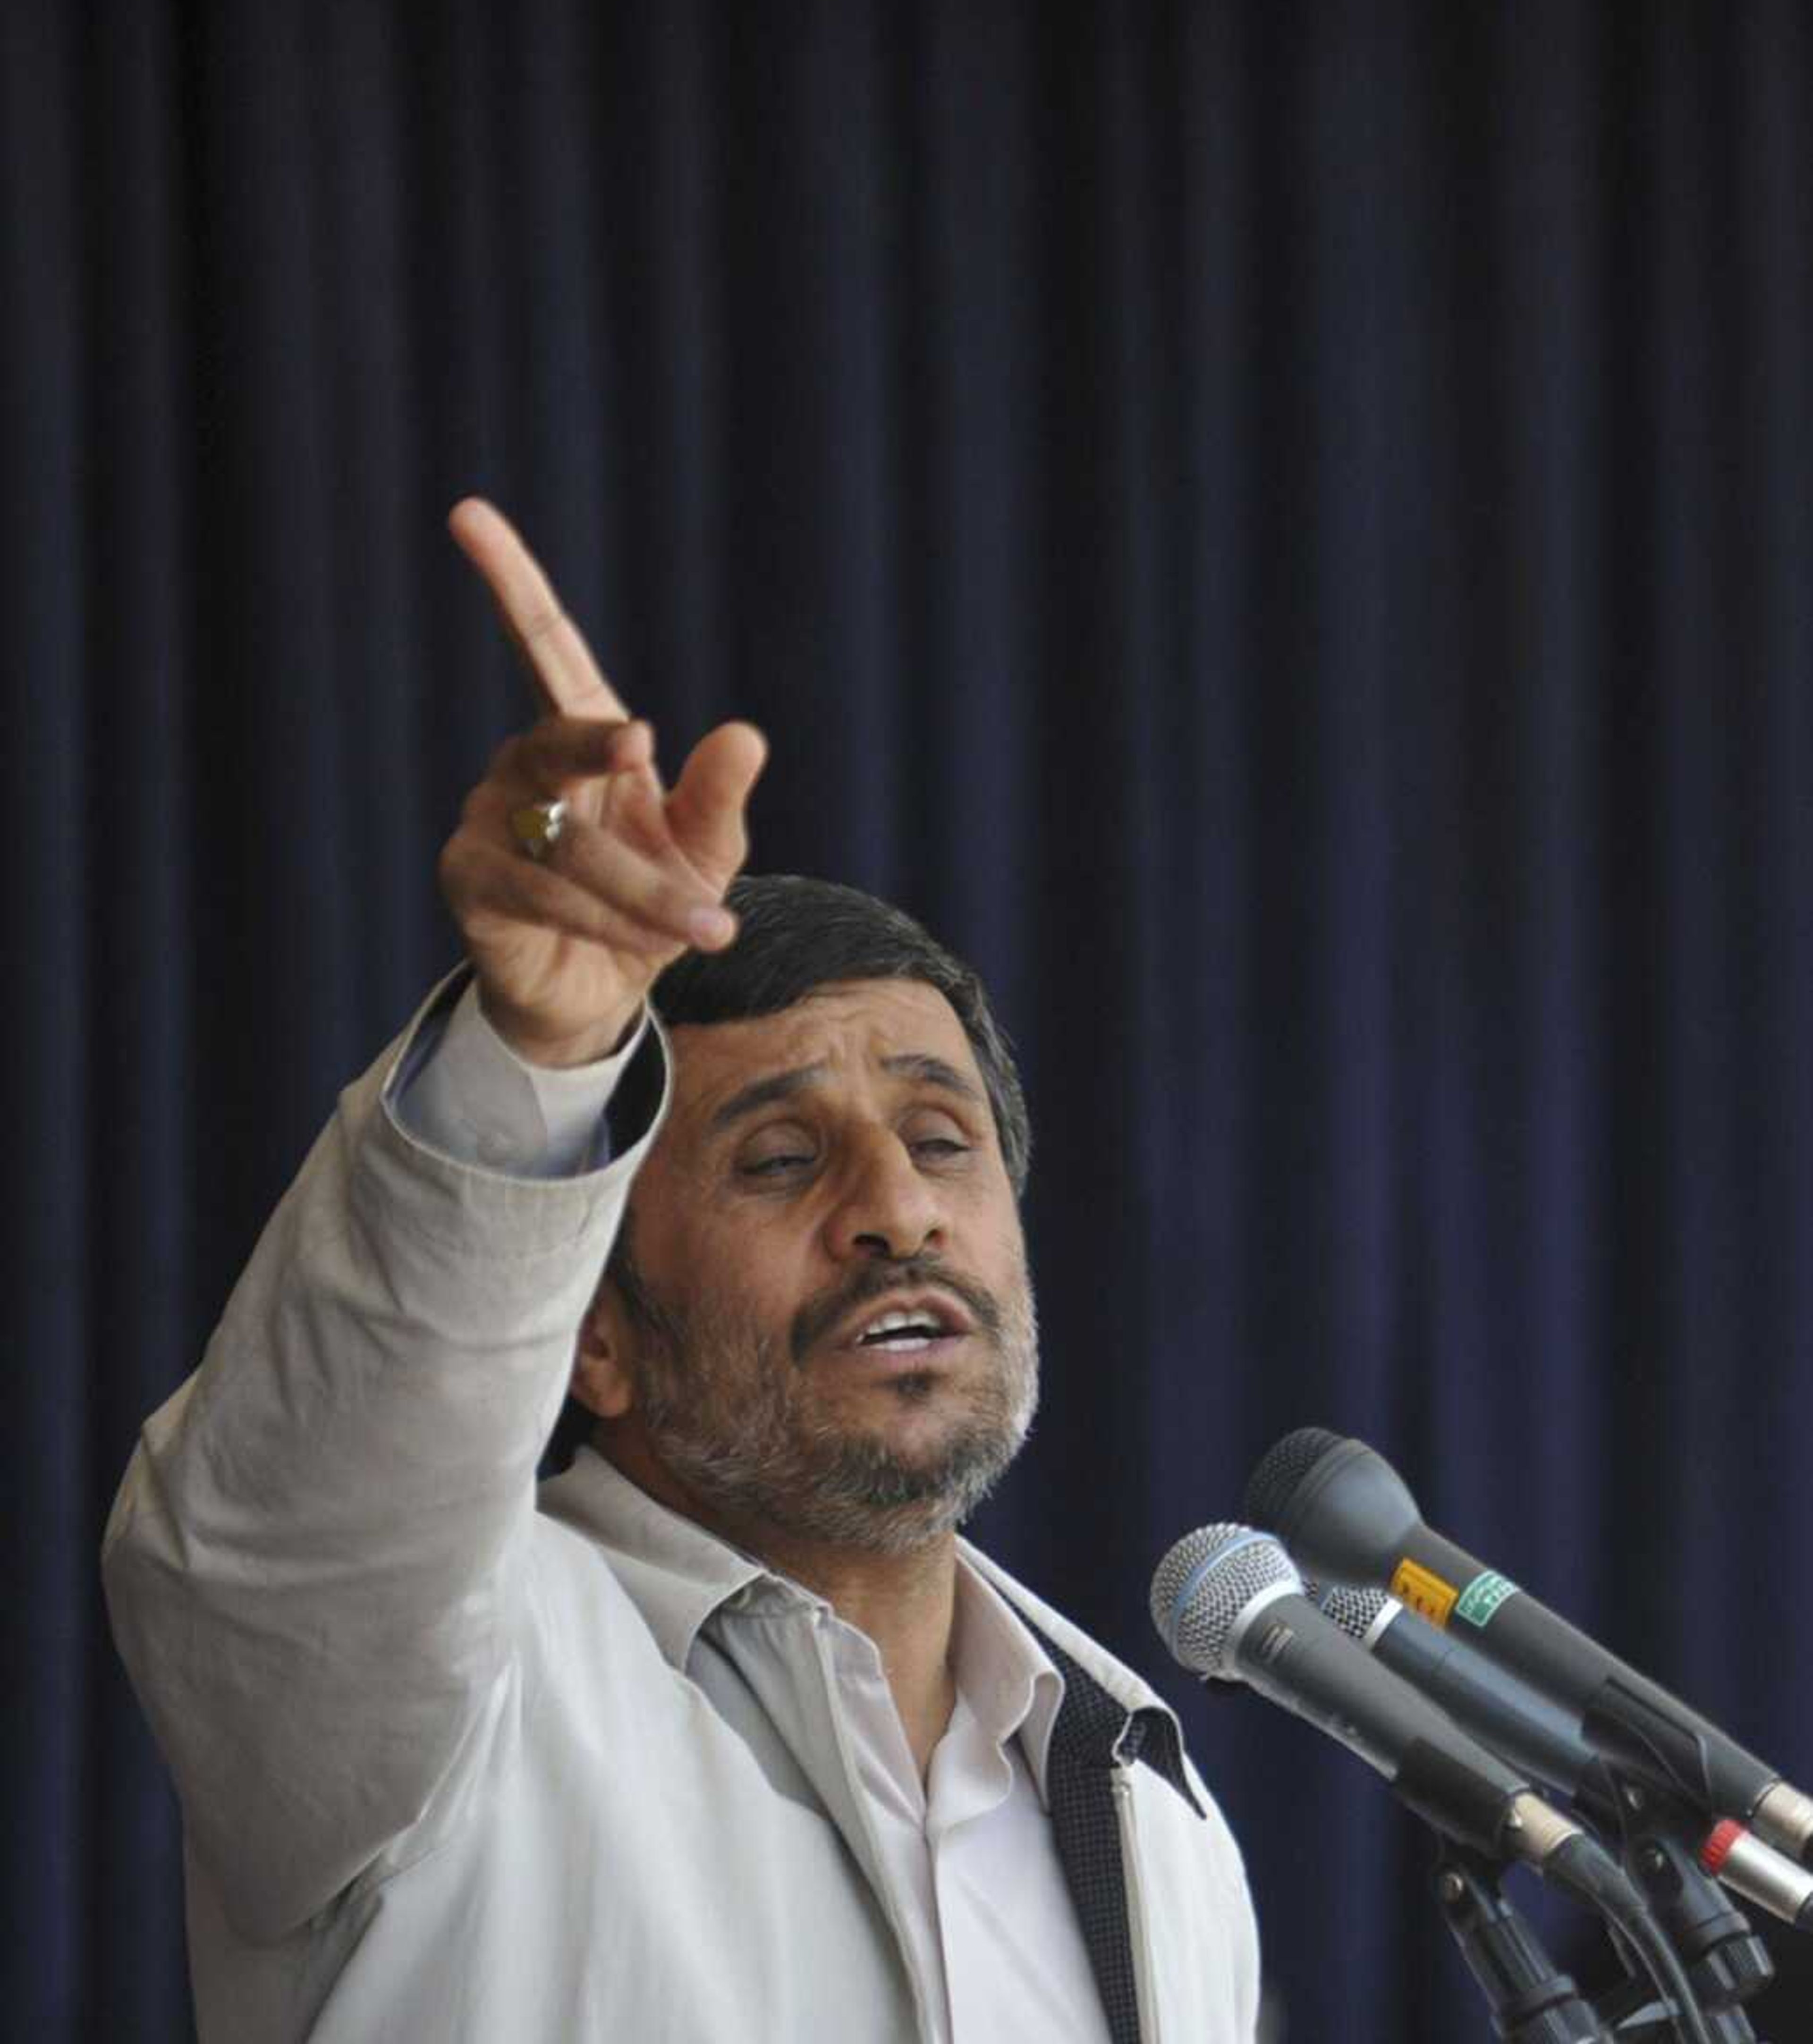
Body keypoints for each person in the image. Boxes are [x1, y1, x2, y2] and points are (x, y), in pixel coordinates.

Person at [104, 499, 1261, 2042]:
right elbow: (277, 1539)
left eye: (942, 1140)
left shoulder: (1149, 1807)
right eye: (781, 1162)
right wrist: (540, 1055)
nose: (895, 1214)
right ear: (592, 1338)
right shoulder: (434, 1684)